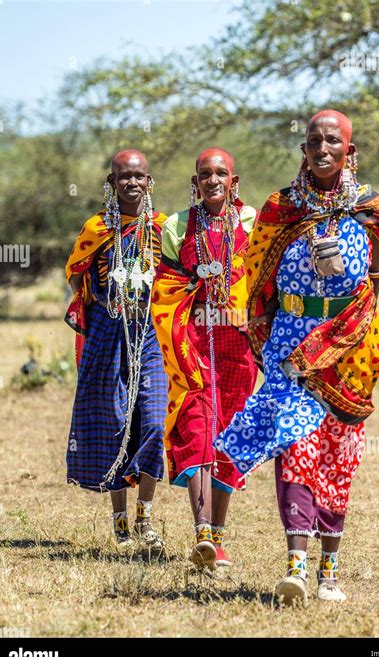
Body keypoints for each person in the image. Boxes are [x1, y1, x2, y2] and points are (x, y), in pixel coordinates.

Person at [215, 111, 379, 603]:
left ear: (348, 151)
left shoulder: (368, 206)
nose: (322, 148)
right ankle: (295, 564)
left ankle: (329, 570)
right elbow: (255, 273)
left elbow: (377, 274)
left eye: (332, 140)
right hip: (290, 347)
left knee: (338, 455)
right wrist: (266, 330)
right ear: (304, 149)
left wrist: (346, 325)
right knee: (295, 447)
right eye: (314, 140)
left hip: (347, 348)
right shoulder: (282, 207)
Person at [151, 147, 257, 569]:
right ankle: (203, 534)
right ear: (195, 183)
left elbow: (263, 279)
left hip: (239, 350)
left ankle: (219, 535)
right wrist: (196, 289)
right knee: (196, 430)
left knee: (229, 439)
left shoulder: (253, 222)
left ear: (234, 182)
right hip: (193, 346)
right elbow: (165, 290)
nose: (213, 180)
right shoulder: (176, 227)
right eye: (205, 174)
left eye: (221, 173)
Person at [65, 149, 168, 550]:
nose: (132, 183)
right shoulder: (97, 227)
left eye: (139, 176)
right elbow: (75, 273)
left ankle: (145, 515)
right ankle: (120, 519)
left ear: (149, 181)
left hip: (151, 333)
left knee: (155, 421)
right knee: (115, 421)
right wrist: (105, 303)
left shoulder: (163, 228)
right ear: (112, 183)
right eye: (123, 177)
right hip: (108, 331)